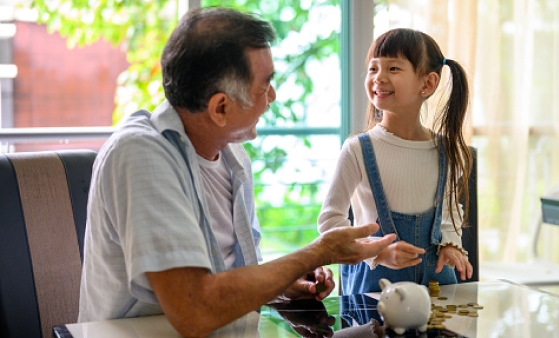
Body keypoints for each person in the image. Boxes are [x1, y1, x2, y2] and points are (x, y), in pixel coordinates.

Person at [77, 7, 396, 337]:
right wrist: (317, 252)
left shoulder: (233, 157)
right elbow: (195, 310)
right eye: (264, 87)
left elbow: (225, 279)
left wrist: (281, 286)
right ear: (220, 108)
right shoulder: (141, 156)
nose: (272, 97)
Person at [317, 28, 473, 295]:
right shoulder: (357, 149)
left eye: (393, 68)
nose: (379, 77)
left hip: (437, 293)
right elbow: (330, 221)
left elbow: (448, 213)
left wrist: (450, 244)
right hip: (373, 295)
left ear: (427, 84)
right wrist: (377, 253)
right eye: (373, 68)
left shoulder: (446, 150)